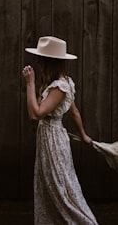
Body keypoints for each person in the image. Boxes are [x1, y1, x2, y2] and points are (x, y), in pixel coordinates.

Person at [22, 36, 98, 225]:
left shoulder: (60, 87)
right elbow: (75, 112)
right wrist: (83, 135)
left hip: (53, 141)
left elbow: (36, 114)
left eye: (41, 58)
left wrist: (30, 84)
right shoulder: (65, 82)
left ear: (49, 61)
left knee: (61, 190)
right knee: (52, 187)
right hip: (51, 139)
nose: (38, 62)